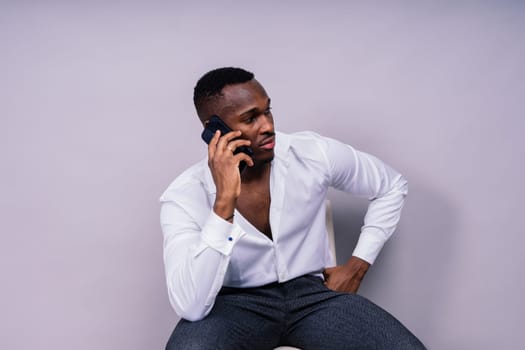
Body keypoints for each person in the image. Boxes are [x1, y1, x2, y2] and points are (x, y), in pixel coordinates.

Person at [160, 67, 425, 349]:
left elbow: (391, 185)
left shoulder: (311, 153)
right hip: (234, 306)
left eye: (267, 111)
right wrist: (224, 202)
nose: (267, 126)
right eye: (250, 118)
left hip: (312, 297)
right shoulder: (183, 196)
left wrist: (358, 265)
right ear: (214, 130)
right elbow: (191, 306)